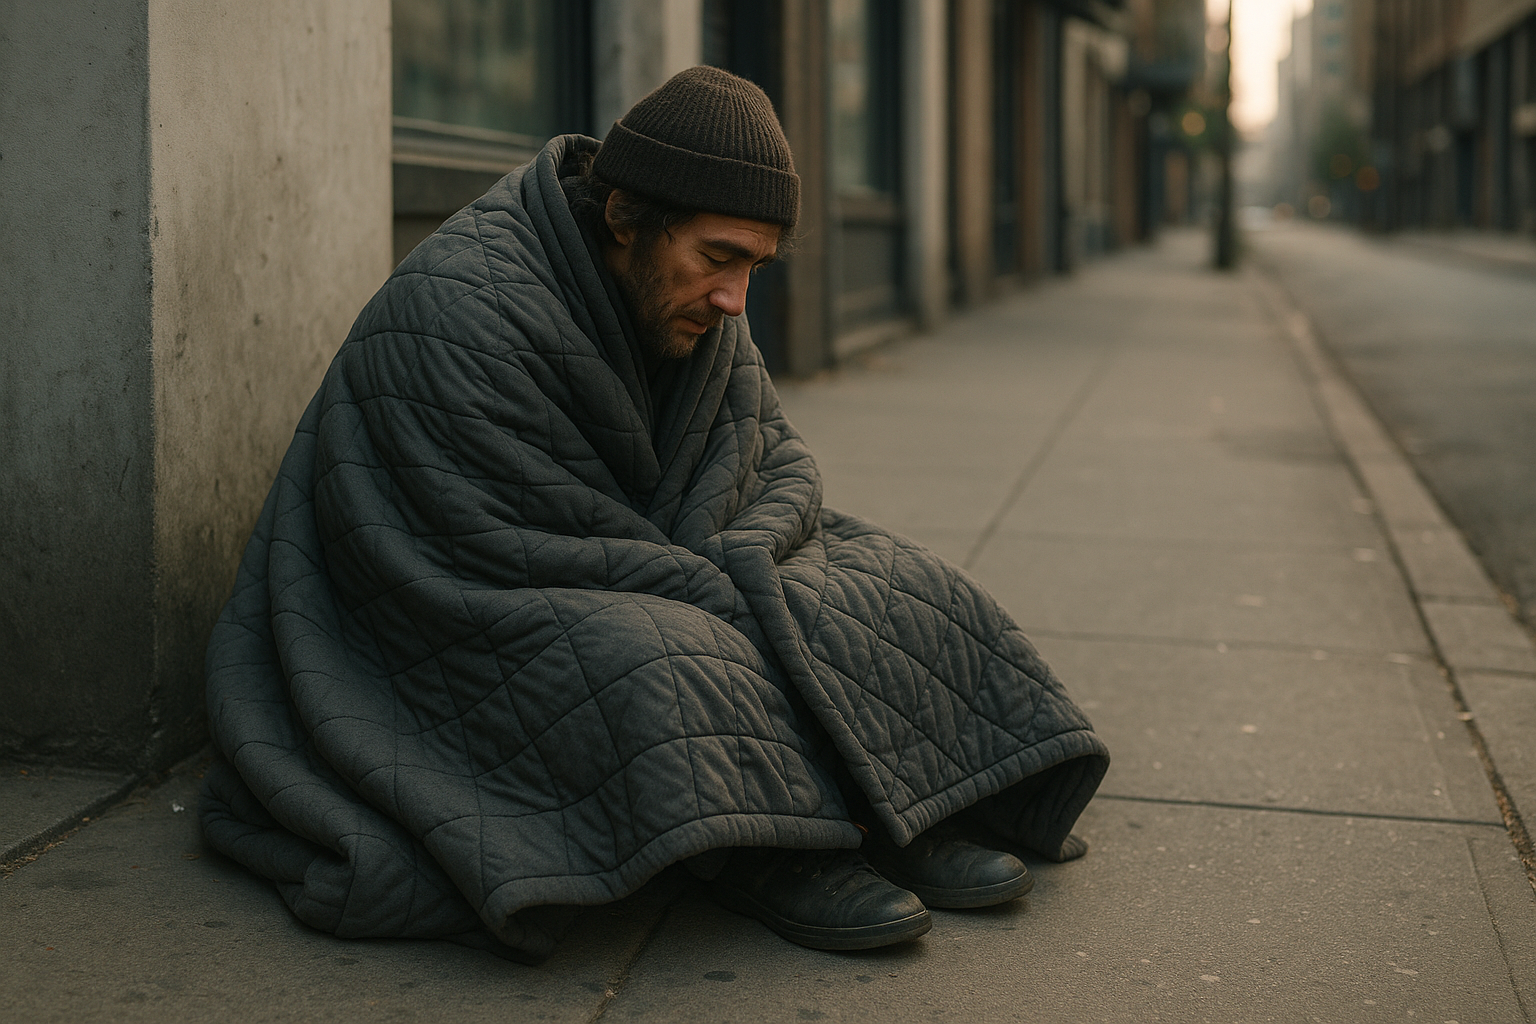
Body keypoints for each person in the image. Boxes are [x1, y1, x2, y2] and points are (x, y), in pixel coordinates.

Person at [200, 66, 1108, 962]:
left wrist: (740, 554)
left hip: (647, 550)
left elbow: (770, 455)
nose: (734, 298)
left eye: (753, 266)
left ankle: (894, 805)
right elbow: (489, 534)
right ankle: (775, 849)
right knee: (655, 659)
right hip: (443, 600)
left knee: (899, 586)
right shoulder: (460, 305)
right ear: (625, 217)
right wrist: (720, 582)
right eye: (718, 260)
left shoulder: (683, 295)